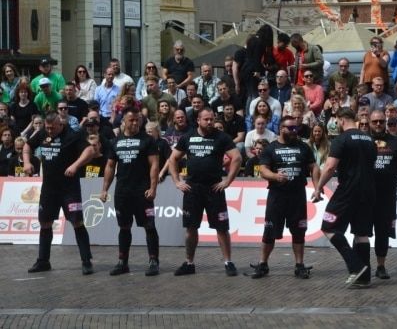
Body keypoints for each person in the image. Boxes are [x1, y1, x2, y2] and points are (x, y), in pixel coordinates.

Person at [168, 107, 242, 277]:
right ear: (198, 121)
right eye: (206, 119)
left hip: (214, 189)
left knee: (222, 228)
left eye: (212, 119)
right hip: (192, 189)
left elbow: (237, 157)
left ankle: (228, 262)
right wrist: (177, 182)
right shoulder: (188, 137)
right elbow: (173, 159)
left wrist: (228, 181)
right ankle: (189, 262)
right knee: (191, 227)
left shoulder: (221, 137)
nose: (210, 122)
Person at [312, 108, 377, 288]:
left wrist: (318, 187)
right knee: (362, 233)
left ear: (341, 120)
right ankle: (364, 279)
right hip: (368, 191)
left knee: (328, 226)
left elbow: (330, 167)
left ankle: (355, 266)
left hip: (348, 190)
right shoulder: (370, 139)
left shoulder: (341, 139)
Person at [24, 112, 95, 275]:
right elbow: (28, 146)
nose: (49, 131)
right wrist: (27, 162)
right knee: (45, 223)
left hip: (69, 189)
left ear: (60, 125)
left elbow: (90, 151)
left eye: (52, 128)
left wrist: (76, 165)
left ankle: (86, 261)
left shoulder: (73, 135)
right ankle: (43, 261)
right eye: (47, 128)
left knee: (77, 222)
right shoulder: (42, 132)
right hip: (49, 188)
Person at [250, 116, 320, 279]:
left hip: (297, 196)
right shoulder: (271, 148)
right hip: (277, 196)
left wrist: (317, 188)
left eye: (296, 128)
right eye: (291, 128)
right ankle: (263, 264)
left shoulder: (303, 147)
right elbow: (263, 169)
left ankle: (299, 265)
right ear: (281, 129)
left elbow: (314, 167)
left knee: (299, 231)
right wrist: (275, 176)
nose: (295, 131)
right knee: (269, 232)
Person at [100, 107, 160, 277]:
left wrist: (153, 188)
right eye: (131, 120)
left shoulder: (148, 140)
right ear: (123, 122)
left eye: (137, 120)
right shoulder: (115, 142)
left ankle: (154, 261)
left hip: (142, 192)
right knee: (124, 227)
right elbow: (110, 166)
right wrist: (104, 189)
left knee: (149, 226)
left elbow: (154, 165)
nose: (134, 123)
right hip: (122, 193)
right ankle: (122, 262)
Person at [368, 110, 397, 279]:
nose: (378, 124)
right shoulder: (362, 141)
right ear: (369, 123)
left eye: (381, 121)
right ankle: (361, 266)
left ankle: (381, 266)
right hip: (364, 195)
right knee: (361, 232)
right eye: (375, 122)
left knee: (383, 232)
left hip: (387, 196)